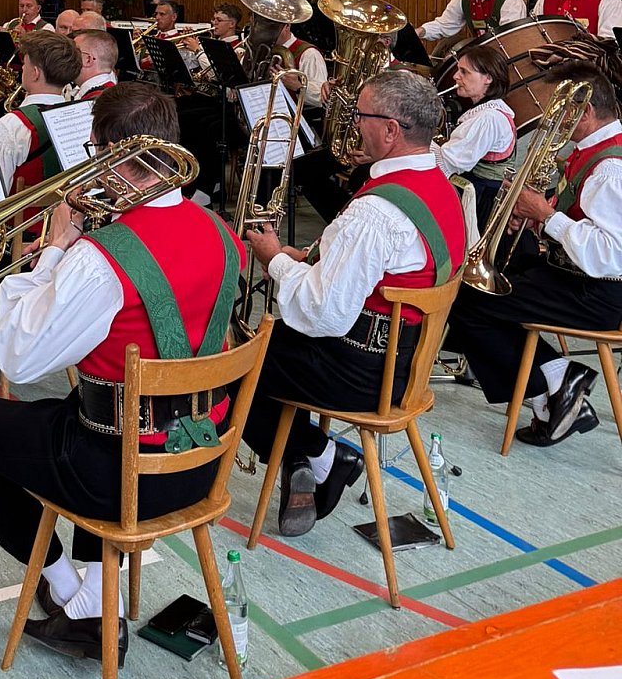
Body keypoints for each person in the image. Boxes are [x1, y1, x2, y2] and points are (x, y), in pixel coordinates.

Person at [0, 83, 245, 665]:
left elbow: (18, 360)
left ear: (113, 155)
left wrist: (56, 248)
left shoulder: (101, 257)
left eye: (94, 151)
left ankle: (67, 591)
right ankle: (95, 592)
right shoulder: (222, 234)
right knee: (83, 409)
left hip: (121, 477)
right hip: (202, 462)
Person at [240, 71, 466, 536]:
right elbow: (380, 270)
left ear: (391, 130)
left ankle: (321, 454)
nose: (354, 124)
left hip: (361, 373)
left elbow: (322, 312)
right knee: (273, 351)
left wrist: (274, 261)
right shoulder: (441, 186)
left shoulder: (375, 211)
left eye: (361, 115)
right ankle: (307, 458)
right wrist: (310, 259)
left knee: (233, 366)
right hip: (406, 362)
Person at [445, 63, 622, 447]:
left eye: (561, 111)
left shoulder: (611, 168)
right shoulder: (596, 151)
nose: (552, 120)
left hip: (598, 292)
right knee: (494, 279)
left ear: (586, 112)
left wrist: (545, 215)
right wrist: (534, 220)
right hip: (576, 275)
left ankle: (555, 383)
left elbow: (609, 254)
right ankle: (555, 390)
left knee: (467, 303)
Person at [431, 38, 516, 229]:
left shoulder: (488, 118)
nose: (456, 76)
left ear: (488, 78)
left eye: (464, 72)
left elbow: (448, 163)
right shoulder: (487, 112)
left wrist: (416, 136)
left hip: (481, 204)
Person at [0, 33, 80, 194]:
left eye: (24, 64)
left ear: (35, 73)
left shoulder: (11, 126)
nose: (22, 68)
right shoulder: (79, 117)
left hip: (24, 211)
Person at [273, 22, 327, 108]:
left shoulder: (309, 54)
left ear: (287, 25)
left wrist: (297, 86)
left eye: (272, 27)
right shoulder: (263, 48)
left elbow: (321, 97)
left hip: (294, 115)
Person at [74, 31, 119, 100]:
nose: (67, 57)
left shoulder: (97, 100)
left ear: (88, 59)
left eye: (73, 52)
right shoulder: (111, 94)